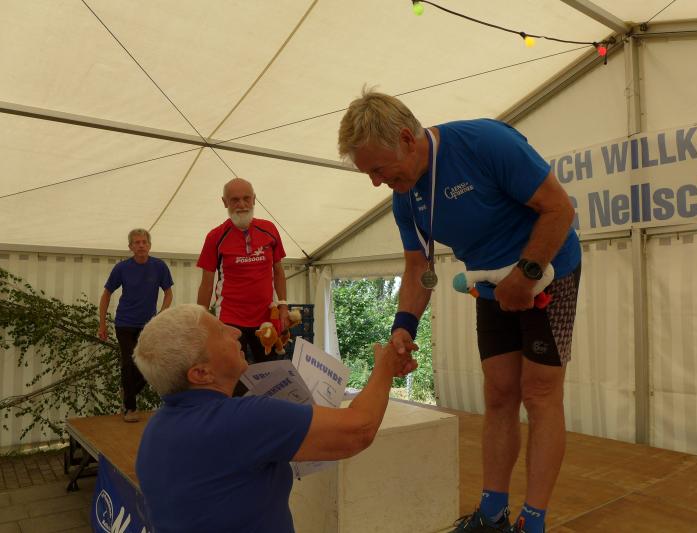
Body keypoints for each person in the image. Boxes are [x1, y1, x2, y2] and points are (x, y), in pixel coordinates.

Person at [338, 89, 581, 533]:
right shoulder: (404, 196)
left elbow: (560, 209)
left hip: (548, 273)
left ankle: (534, 520)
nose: (375, 182)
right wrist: (403, 328)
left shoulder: (485, 143)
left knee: (540, 394)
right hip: (490, 286)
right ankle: (492, 514)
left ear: (406, 139)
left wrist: (526, 274)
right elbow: (418, 268)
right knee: (499, 393)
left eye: (377, 169)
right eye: (368, 173)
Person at [133, 304, 406, 533]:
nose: (236, 331)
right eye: (220, 330)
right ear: (201, 373)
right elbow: (360, 428)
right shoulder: (243, 419)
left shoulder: (155, 429)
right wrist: (385, 366)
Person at [197, 177, 290, 364]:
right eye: (235, 200)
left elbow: (279, 271)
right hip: (229, 318)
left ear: (254, 199)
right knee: (232, 372)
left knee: (269, 371)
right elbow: (206, 284)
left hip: (266, 318)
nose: (242, 204)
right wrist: (201, 321)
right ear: (225, 202)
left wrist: (283, 305)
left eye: (246, 198)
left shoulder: (269, 229)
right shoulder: (215, 236)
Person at [98, 228, 173, 423]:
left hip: (148, 326)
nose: (141, 245)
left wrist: (161, 315)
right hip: (124, 323)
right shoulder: (122, 268)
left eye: (144, 242)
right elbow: (106, 294)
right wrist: (102, 323)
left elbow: (168, 293)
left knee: (149, 365)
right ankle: (130, 408)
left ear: (150, 245)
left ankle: (128, 391)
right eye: (137, 242)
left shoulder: (159, 266)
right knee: (129, 363)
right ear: (130, 247)